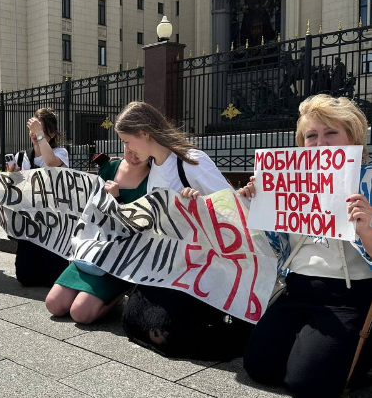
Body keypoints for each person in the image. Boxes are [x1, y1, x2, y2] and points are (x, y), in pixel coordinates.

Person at [241, 95, 372, 398]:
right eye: (311, 136)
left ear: (353, 137)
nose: (320, 144)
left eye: (331, 133)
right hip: (297, 288)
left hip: (347, 295)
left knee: (307, 384)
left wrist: (366, 228)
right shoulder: (289, 180)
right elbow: (273, 244)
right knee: (259, 367)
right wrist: (257, 202)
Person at [113, 101, 252, 360]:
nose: (127, 149)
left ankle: (237, 334)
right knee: (131, 319)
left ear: (144, 133)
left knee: (162, 332)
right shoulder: (153, 167)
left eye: (127, 141)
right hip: (172, 266)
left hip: (203, 268)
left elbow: (233, 210)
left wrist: (199, 206)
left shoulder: (192, 162)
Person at [46, 147, 149, 324]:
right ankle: (97, 295)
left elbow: (144, 226)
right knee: (54, 305)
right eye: (127, 146)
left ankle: (119, 294)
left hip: (120, 258)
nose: (134, 155)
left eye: (138, 148)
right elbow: (90, 211)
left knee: (80, 313)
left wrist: (117, 201)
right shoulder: (110, 168)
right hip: (93, 251)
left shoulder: (155, 177)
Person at [7, 108, 70, 287]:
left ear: (51, 132)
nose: (34, 134)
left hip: (53, 221)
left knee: (53, 278)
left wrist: (41, 135)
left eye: (40, 129)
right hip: (30, 221)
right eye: (33, 129)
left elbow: (50, 164)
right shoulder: (22, 157)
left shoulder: (60, 153)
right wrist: (12, 175)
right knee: (25, 277)